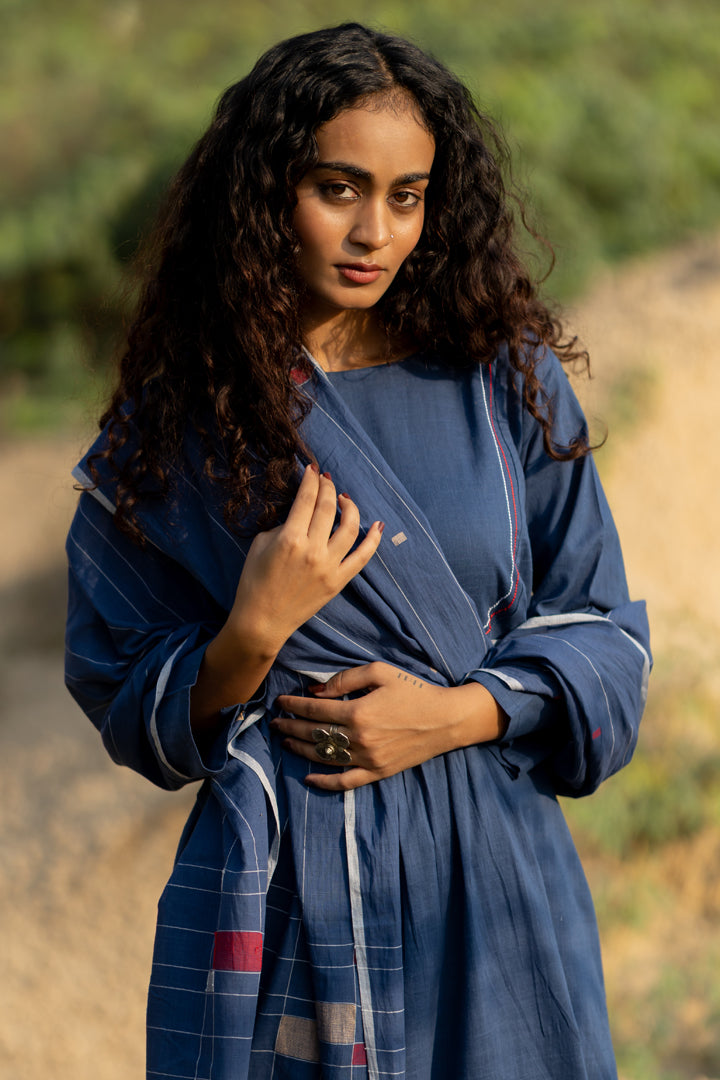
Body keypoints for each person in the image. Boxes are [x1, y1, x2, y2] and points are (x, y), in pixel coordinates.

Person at [65, 22, 650, 1080]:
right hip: (285, 884)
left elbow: (606, 635)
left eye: (407, 195)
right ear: (264, 194)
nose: (374, 230)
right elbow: (120, 690)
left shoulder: (499, 381)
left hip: (497, 875)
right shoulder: (182, 425)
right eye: (339, 188)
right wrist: (250, 633)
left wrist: (455, 714)